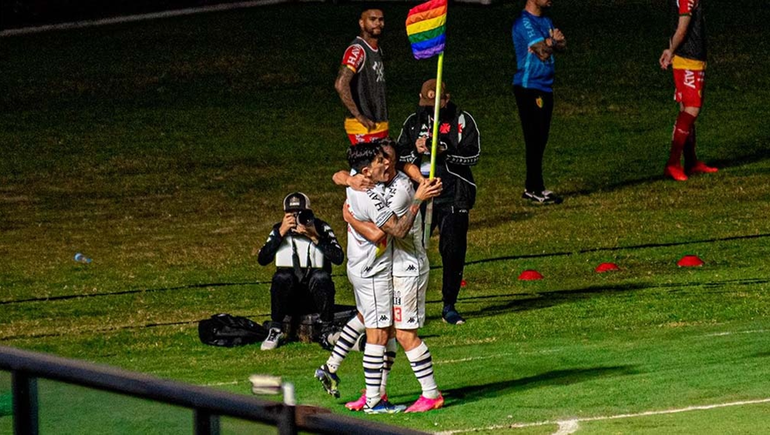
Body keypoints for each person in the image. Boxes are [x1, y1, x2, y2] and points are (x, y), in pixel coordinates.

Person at [318, 143, 441, 414]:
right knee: (382, 331)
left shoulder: (399, 188)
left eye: (390, 161)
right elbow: (339, 176)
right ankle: (375, 393)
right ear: (367, 168)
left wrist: (349, 215)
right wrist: (347, 182)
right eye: (381, 161)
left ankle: (423, 394)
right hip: (377, 268)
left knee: (397, 333)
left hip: (406, 268)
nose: (386, 165)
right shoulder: (363, 183)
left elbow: (394, 230)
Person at [396, 79, 480, 325]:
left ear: (446, 98)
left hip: (452, 194)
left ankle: (449, 306)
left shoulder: (462, 120)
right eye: (427, 103)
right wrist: (416, 148)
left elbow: (473, 154)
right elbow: (397, 156)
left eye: (437, 103)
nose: (431, 108)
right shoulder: (413, 122)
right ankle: (411, 307)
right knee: (412, 250)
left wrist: (445, 150)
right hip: (419, 195)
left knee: (452, 250)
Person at [256, 192, 344, 350]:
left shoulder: (321, 227)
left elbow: (338, 257)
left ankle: (327, 329)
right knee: (281, 276)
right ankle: (275, 328)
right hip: (289, 295)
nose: (296, 219)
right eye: (291, 214)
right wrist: (281, 233)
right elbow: (262, 259)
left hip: (315, 294)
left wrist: (315, 236)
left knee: (321, 276)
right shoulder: (279, 230)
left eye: (301, 214)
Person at [512, 0, 566, 204]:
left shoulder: (545, 20)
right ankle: (534, 188)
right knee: (534, 139)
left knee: (541, 139)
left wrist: (551, 42)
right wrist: (551, 42)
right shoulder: (524, 23)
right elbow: (542, 51)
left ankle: (534, 186)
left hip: (544, 86)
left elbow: (562, 44)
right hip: (528, 87)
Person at [659, 0, 718, 181]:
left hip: (694, 59)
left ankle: (691, 162)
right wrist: (671, 50)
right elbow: (682, 29)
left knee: (687, 109)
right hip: (687, 59)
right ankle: (673, 163)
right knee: (692, 108)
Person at [335, 8, 389, 145]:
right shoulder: (358, 50)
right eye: (372, 19)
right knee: (369, 165)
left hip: (379, 122)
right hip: (364, 125)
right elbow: (341, 84)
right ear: (361, 23)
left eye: (381, 19)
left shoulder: (377, 50)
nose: (378, 23)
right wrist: (359, 116)